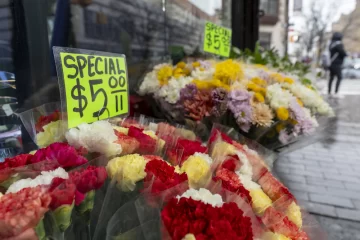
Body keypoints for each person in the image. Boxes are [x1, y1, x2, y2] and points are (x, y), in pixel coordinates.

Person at [328, 32, 347, 97]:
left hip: (331, 63)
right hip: (337, 64)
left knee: (331, 78)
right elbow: (343, 53)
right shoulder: (339, 44)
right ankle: (336, 92)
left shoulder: (331, 43)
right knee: (339, 77)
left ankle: (329, 92)